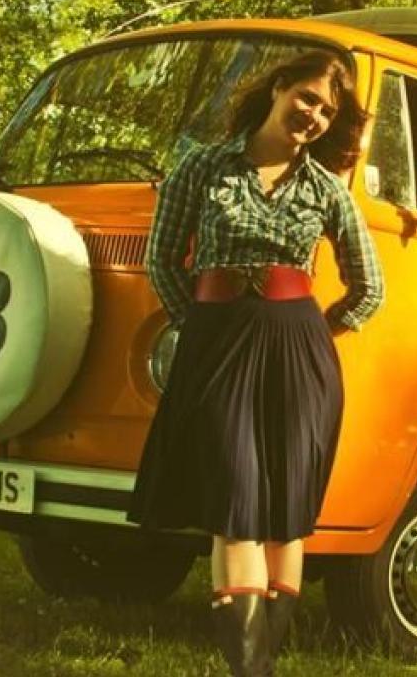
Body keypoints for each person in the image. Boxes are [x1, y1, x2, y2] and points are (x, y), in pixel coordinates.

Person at [127, 49, 384, 676]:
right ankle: (250, 670)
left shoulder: (326, 189)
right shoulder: (204, 166)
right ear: (278, 87)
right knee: (235, 500)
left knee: (285, 517)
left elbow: (369, 287)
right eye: (307, 98)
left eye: (327, 112)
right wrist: (201, 323)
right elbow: (163, 258)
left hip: (298, 355)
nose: (314, 116)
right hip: (217, 346)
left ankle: (257, 668)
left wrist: (316, 335)